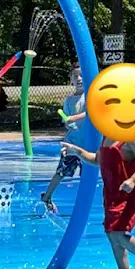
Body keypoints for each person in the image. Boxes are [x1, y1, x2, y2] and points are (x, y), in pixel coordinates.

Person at [63, 133, 135, 269]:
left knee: (118, 232)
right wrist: (77, 151)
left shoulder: (130, 137)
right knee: (111, 232)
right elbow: (97, 160)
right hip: (111, 194)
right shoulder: (107, 137)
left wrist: (133, 180)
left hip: (127, 193)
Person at [41, 66, 87, 213]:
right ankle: (47, 196)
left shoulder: (92, 97)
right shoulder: (69, 101)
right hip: (72, 144)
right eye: (75, 76)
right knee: (61, 172)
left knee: (86, 177)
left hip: (89, 146)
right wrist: (68, 122)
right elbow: (66, 121)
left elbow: (93, 113)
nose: (79, 79)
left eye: (81, 75)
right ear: (71, 80)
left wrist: (75, 117)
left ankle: (82, 204)